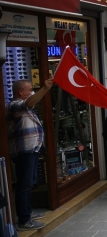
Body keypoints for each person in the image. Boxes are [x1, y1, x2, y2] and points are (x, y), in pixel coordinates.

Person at [7, 79, 53, 231]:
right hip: (24, 151)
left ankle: (27, 211)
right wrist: (45, 89)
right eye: (30, 89)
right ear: (21, 92)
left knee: (30, 182)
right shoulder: (15, 105)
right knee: (24, 185)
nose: (32, 92)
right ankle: (24, 220)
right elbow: (28, 103)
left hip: (32, 149)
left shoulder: (25, 107)